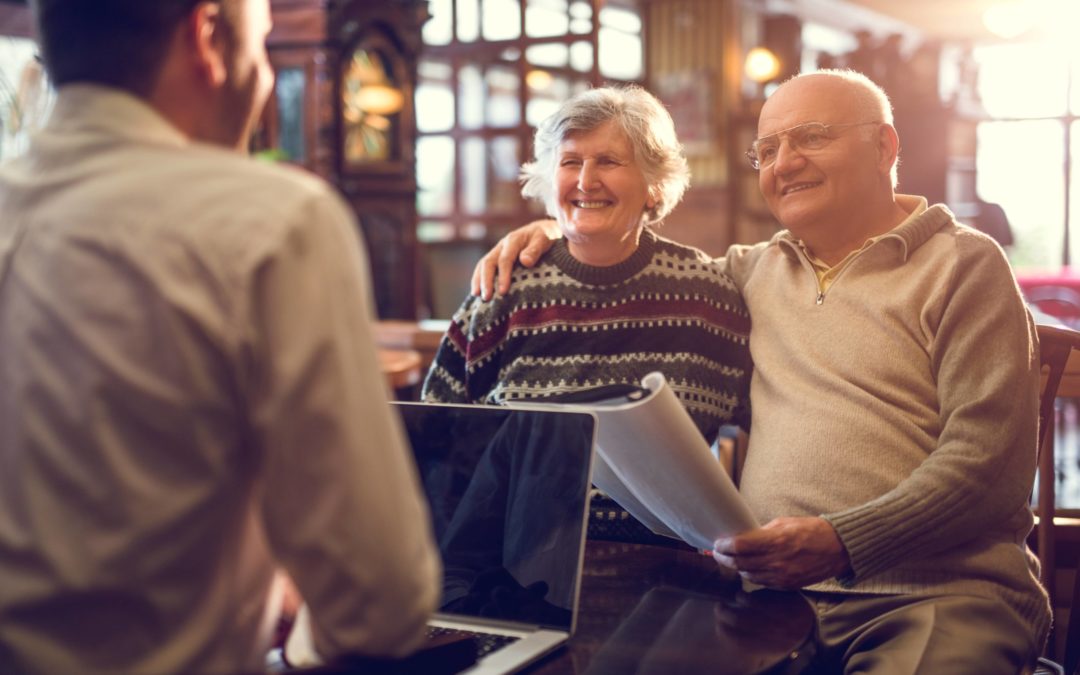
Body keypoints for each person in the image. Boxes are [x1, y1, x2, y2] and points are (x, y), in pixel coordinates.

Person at [472, 70, 1050, 673]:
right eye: (767, 149)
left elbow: (989, 465)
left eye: (812, 137)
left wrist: (842, 541)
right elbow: (628, 250)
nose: (785, 162)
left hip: (933, 597)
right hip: (766, 603)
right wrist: (557, 230)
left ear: (885, 147)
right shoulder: (747, 275)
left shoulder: (963, 264)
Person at [0, 1, 440, 673]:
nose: (263, 78)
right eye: (263, 49)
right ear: (208, 37)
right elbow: (381, 602)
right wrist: (292, 641)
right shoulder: (273, 222)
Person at [423, 86, 752, 448]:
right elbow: (436, 435)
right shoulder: (503, 291)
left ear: (654, 186)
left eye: (608, 161)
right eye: (570, 162)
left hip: (660, 508)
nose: (585, 181)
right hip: (522, 506)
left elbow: (751, 429)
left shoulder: (707, 296)